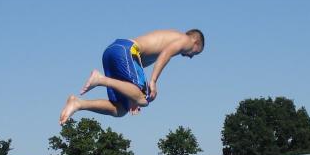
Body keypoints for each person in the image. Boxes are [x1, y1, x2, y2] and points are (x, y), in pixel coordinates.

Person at [59, 29, 205, 124]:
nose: (191, 57)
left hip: (113, 51)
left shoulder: (168, 40)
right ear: (196, 42)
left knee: (121, 109)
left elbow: (136, 68)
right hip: (126, 49)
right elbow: (166, 54)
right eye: (196, 53)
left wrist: (132, 96)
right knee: (145, 99)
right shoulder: (186, 40)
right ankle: (100, 79)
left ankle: (78, 104)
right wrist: (153, 81)